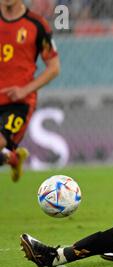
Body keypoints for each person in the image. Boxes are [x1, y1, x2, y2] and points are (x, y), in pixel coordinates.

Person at [0, 0, 60, 182]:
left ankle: (9, 155)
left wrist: (24, 90)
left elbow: (53, 67)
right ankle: (13, 158)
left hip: (18, 104)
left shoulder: (37, 24)